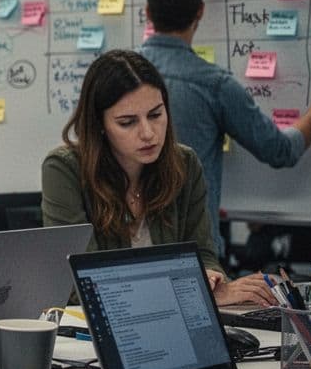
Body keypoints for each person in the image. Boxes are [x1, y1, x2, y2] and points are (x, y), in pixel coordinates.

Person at [139, 0, 311, 254]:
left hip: (123, 251)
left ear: (148, 13)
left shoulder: (115, 77)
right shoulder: (213, 85)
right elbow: (281, 150)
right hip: (194, 257)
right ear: (200, 11)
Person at [41, 49, 274, 307]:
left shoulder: (185, 163)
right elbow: (83, 282)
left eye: (155, 114)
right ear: (100, 125)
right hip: (95, 333)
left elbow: (204, 254)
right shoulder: (63, 169)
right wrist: (189, 289)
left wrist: (211, 279)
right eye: (127, 122)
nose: (148, 133)